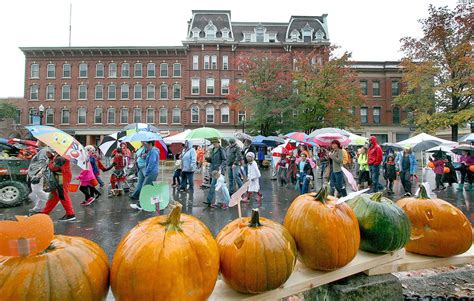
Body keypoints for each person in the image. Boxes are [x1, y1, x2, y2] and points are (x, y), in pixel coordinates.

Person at [41, 150, 75, 222]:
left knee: (62, 195)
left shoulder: (61, 157)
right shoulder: (60, 155)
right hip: (59, 177)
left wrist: (49, 161)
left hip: (61, 177)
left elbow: (54, 167)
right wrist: (51, 157)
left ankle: (70, 214)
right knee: (54, 195)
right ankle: (45, 212)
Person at [130, 141, 160, 210]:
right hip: (152, 172)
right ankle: (156, 203)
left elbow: (152, 163)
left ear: (150, 144)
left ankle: (140, 205)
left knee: (145, 189)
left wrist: (147, 172)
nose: (145, 146)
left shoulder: (153, 152)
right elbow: (149, 161)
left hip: (151, 173)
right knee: (150, 189)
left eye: (146, 144)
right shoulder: (151, 151)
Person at [27, 143, 50, 213]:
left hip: (37, 174)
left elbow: (42, 163)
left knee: (37, 190)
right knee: (38, 190)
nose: (37, 141)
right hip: (36, 173)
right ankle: (38, 208)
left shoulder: (44, 150)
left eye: (38, 140)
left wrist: (39, 174)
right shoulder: (43, 150)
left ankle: (50, 200)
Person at [204, 138, 227, 206]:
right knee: (218, 187)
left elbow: (224, 159)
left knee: (214, 185)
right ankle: (222, 201)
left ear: (218, 143)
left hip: (218, 171)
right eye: (213, 143)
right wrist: (207, 158)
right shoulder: (213, 149)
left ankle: (209, 200)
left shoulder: (221, 149)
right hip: (213, 170)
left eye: (215, 143)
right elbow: (212, 160)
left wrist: (221, 167)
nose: (214, 144)